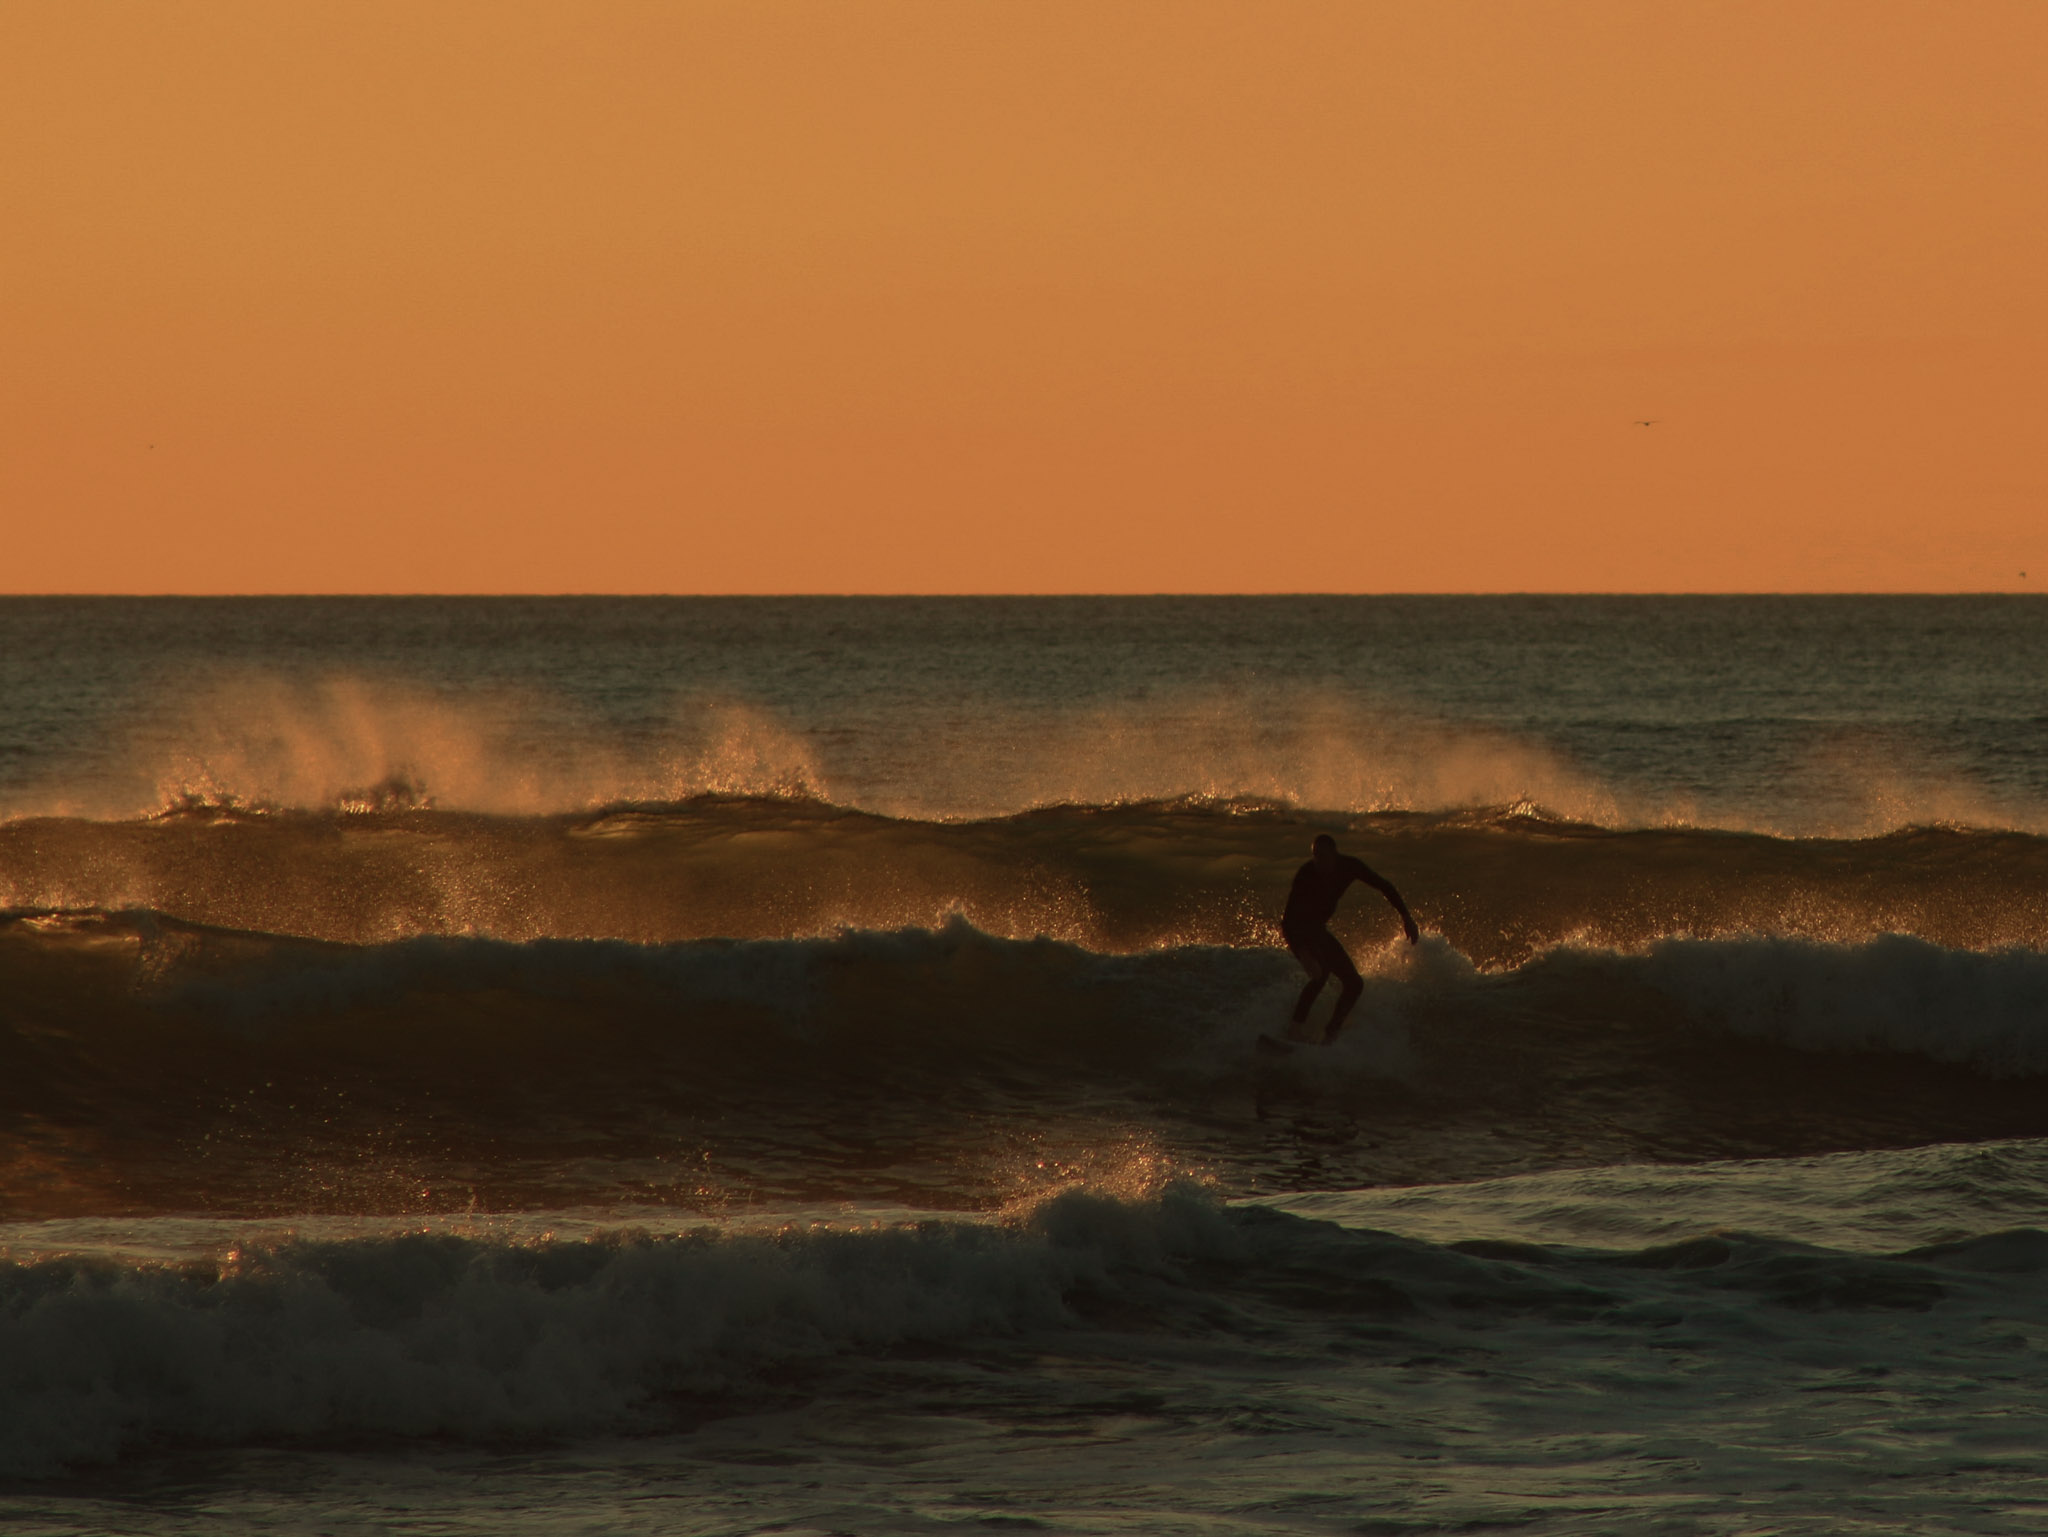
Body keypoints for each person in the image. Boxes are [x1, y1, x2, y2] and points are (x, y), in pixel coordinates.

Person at [1281, 833, 1418, 1042]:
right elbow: (1288, 921)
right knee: (1320, 974)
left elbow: (1383, 885)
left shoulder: (1348, 866)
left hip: (1318, 930)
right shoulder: (1306, 874)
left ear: (1335, 855)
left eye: (1324, 856)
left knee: (1354, 984)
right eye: (1316, 856)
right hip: (1300, 932)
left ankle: (1331, 1033)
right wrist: (1302, 952)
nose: (1319, 861)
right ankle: (1294, 1030)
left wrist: (1405, 916)